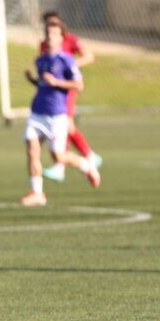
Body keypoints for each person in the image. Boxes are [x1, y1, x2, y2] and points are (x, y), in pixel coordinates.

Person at [21, 21, 101, 207]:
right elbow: (43, 85)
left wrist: (56, 82)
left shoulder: (67, 60)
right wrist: (33, 80)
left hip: (56, 115)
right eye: (47, 33)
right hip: (36, 113)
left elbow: (78, 85)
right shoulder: (40, 60)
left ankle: (86, 165)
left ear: (60, 38)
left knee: (58, 157)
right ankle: (37, 193)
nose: (50, 37)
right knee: (32, 151)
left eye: (54, 34)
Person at [36, 12, 103, 182]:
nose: (50, 33)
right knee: (66, 126)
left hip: (65, 89)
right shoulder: (44, 45)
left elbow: (89, 56)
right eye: (47, 28)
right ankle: (81, 158)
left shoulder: (70, 40)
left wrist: (70, 67)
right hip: (50, 93)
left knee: (66, 124)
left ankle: (69, 163)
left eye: (54, 27)